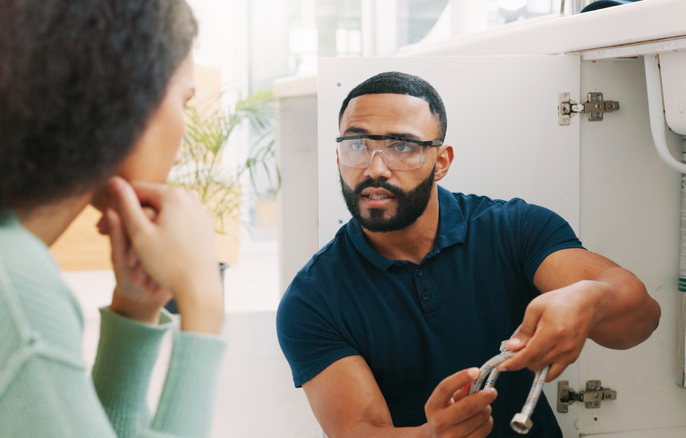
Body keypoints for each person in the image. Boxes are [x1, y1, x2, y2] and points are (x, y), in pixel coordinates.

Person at [276, 71, 661, 438]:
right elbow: (358, 429)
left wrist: (588, 301)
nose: (375, 168)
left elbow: (641, 320)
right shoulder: (313, 299)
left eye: (402, 146)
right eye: (357, 145)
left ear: (440, 162)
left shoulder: (514, 228)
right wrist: (430, 435)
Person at [0, 1, 226, 437]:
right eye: (183, 101)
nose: (184, 133)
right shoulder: (7, 287)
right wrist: (203, 303)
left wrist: (136, 310)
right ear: (127, 102)